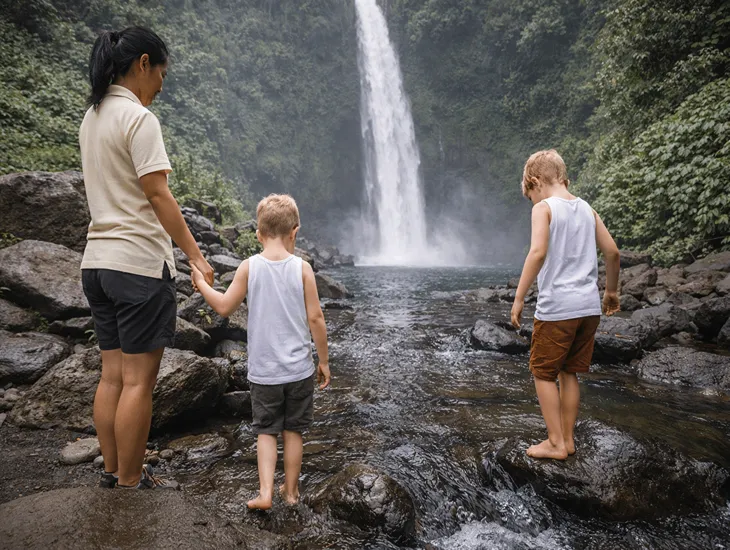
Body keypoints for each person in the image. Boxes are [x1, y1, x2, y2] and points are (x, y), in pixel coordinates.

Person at [80, 26, 214, 489]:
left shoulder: (92, 117)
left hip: (96, 263)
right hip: (136, 265)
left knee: (112, 376)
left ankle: (113, 470)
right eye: (161, 74)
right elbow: (158, 194)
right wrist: (195, 256)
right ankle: (132, 482)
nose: (161, 85)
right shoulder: (139, 120)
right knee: (139, 382)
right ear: (142, 64)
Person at [191, 194, 330, 509]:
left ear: (258, 234)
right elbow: (316, 318)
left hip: (265, 371)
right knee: (294, 430)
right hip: (299, 370)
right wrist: (323, 360)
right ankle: (291, 493)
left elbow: (225, 306)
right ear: (295, 232)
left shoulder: (249, 266)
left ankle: (265, 493)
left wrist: (201, 283)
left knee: (266, 432)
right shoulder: (303, 268)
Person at [511, 149, 620, 460]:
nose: (531, 201)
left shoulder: (544, 209)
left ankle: (556, 442)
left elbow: (537, 253)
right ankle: (568, 440)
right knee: (569, 371)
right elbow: (612, 252)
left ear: (534, 182)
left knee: (543, 372)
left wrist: (519, 298)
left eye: (529, 195)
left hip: (558, 307)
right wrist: (611, 292)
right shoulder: (587, 209)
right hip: (589, 308)